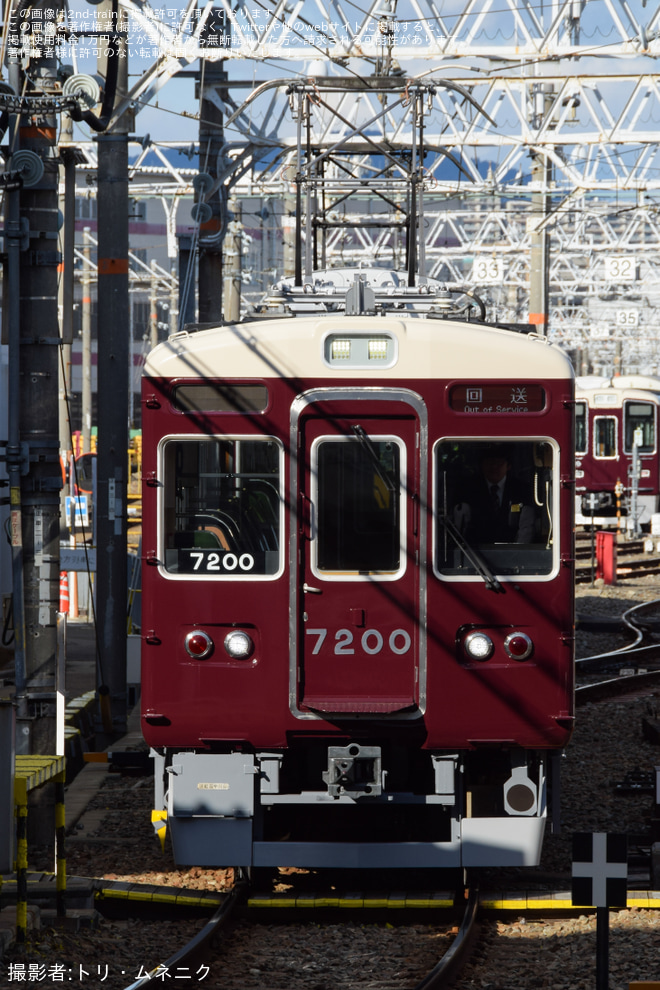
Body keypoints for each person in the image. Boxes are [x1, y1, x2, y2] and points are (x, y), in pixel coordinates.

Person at [453, 444, 537, 544]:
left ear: (508, 466)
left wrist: (518, 554)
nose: (494, 467)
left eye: (499, 463)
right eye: (489, 463)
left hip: (512, 552)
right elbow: (461, 527)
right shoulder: (468, 489)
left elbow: (527, 528)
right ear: (482, 466)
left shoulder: (521, 489)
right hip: (475, 553)